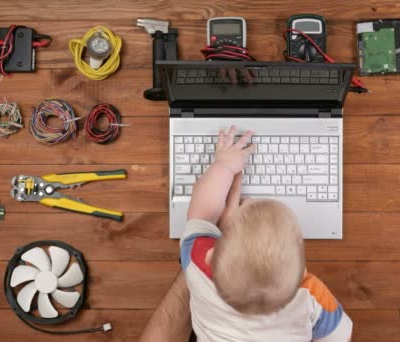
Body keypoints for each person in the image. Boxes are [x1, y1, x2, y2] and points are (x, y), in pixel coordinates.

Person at [141, 126, 352, 341]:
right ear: (303, 273)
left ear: (211, 257)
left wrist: (224, 165)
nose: (249, 200)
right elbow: (339, 335)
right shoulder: (310, 295)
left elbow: (201, 213)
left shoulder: (198, 266)